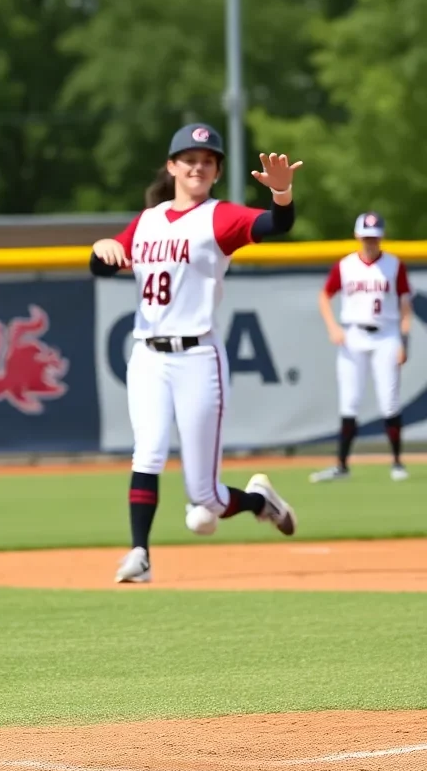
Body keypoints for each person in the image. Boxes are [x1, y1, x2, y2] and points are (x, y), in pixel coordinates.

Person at [89, 124, 300, 584]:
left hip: (199, 357)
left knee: (205, 497)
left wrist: (281, 194)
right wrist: (102, 249)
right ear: (171, 167)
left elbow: (276, 224)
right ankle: (139, 554)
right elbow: (102, 266)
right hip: (147, 353)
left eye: (207, 160)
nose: (197, 166)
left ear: (217, 171)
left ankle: (261, 502)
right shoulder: (147, 220)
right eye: (189, 159)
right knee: (146, 453)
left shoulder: (219, 217)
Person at [310, 212, 412, 483]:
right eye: (366, 237)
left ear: (381, 237)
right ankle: (342, 465)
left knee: (389, 400)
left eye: (374, 237)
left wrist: (404, 341)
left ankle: (398, 462)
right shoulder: (345, 266)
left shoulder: (393, 265)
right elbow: (324, 296)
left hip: (386, 334)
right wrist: (333, 327)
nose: (370, 242)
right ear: (358, 237)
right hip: (353, 334)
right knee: (349, 401)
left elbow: (404, 306)